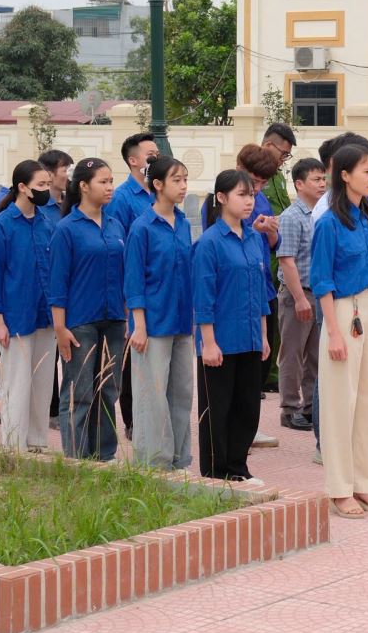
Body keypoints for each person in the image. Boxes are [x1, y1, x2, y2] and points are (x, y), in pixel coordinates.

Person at [311, 144, 368, 518]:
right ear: (343, 175)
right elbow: (322, 281)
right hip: (343, 313)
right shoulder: (329, 222)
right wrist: (333, 332)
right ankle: (340, 488)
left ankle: (364, 483)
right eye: (365, 171)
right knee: (339, 403)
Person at [193, 169, 273, 485]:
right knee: (218, 409)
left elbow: (263, 290)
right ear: (222, 198)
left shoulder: (255, 239)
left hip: (251, 337)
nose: (249, 201)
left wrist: (264, 335)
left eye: (251, 195)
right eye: (242, 194)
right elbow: (203, 295)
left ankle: (238, 467)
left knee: (247, 407)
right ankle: (215, 471)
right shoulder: (210, 243)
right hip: (221, 339)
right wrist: (208, 342)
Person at [49, 158, 126, 460]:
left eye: (111, 181)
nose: (110, 188)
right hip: (80, 323)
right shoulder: (67, 229)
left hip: (114, 320)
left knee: (108, 391)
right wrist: (60, 328)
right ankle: (76, 459)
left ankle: (104, 456)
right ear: (83, 186)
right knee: (78, 394)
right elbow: (57, 282)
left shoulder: (115, 224)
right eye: (103, 182)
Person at [123, 155, 196, 471]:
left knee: (181, 395)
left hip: (181, 321)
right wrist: (138, 324)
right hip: (153, 323)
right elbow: (134, 279)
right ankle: (154, 463)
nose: (183, 186)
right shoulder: (142, 227)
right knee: (152, 397)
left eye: (185, 179)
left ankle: (179, 460)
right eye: (177, 180)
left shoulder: (183, 223)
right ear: (157, 184)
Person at [0, 160, 57, 452]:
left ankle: (38, 442)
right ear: (22, 188)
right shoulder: (0, 227)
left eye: (48, 185)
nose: (46, 191)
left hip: (45, 314)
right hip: (15, 315)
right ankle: (13, 445)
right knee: (16, 382)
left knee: (42, 383)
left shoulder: (46, 223)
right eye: (41, 185)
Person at [106, 132, 159, 442]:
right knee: (130, 358)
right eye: (150, 154)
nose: (155, 157)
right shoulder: (123, 197)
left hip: (157, 289)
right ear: (134, 160)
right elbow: (119, 246)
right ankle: (132, 419)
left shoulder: (158, 191)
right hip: (132, 288)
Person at [275, 157, 325, 431]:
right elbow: (287, 260)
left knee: (315, 355)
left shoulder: (322, 215)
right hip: (298, 294)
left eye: (322, 179)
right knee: (292, 354)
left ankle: (310, 406)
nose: (322, 184)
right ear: (299, 184)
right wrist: (300, 298)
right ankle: (289, 408)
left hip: (318, 294)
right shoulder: (292, 217)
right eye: (315, 180)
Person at [259, 123, 297, 395]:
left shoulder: (277, 177)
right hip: (262, 253)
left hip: (277, 249)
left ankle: (271, 371)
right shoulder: (250, 175)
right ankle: (265, 372)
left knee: (275, 317)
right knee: (266, 315)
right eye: (283, 153)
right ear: (269, 145)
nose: (283, 159)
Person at [37, 149, 74, 426]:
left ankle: (66, 405)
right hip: (45, 290)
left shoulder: (70, 205)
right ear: (49, 173)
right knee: (46, 351)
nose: (68, 174)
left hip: (70, 289)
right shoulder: (40, 210)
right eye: (64, 169)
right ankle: (49, 409)